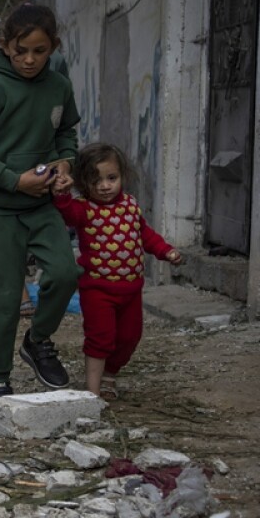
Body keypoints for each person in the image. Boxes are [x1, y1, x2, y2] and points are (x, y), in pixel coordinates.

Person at [0, 3, 82, 398]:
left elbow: (66, 135)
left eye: (39, 51)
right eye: (20, 50)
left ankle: (38, 340)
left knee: (64, 273)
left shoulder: (59, 87)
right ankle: (0, 378)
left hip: (41, 206)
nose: (29, 60)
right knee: (5, 301)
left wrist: (65, 164)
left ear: (53, 48)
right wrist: (13, 180)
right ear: (5, 46)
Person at [53, 142, 181, 400]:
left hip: (132, 290)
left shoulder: (130, 205)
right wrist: (62, 194)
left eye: (111, 178)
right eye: (95, 180)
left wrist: (166, 251)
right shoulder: (84, 208)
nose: (104, 186)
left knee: (129, 337)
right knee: (101, 338)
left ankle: (110, 374)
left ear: (122, 175)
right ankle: (93, 391)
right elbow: (67, 214)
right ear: (83, 183)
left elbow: (145, 234)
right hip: (98, 289)